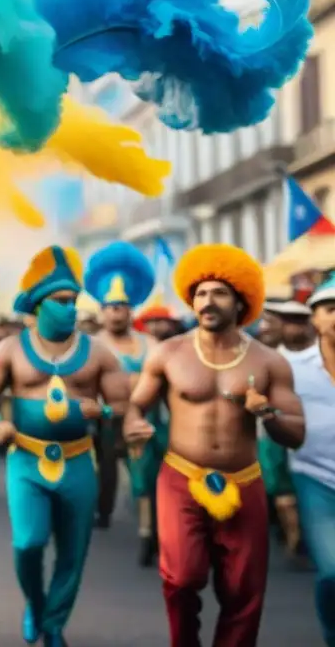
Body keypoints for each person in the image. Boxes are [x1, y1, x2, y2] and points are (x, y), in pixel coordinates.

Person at [123, 243, 306, 647]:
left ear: (241, 301)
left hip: (244, 481)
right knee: (182, 577)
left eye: (219, 292)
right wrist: (134, 425)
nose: (207, 301)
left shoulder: (268, 362)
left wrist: (267, 414)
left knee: (243, 592)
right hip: (181, 478)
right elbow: (137, 405)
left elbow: (296, 433)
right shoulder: (168, 353)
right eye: (201, 292)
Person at [0, 245, 129, 647]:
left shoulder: (99, 353)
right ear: (39, 305)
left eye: (74, 301)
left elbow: (124, 404)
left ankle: (55, 623)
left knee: (73, 552)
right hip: (25, 460)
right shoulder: (9, 350)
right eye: (61, 301)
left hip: (77, 462)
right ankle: (35, 604)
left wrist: (104, 411)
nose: (71, 309)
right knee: (28, 543)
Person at [84, 241, 160, 564]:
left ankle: (148, 532)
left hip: (141, 418)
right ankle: (101, 511)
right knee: (102, 474)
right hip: (101, 422)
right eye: (111, 305)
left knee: (144, 475)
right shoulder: (88, 345)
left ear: (132, 310)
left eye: (122, 306)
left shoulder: (151, 343)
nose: (116, 311)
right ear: (102, 310)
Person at [293, 277, 335, 645]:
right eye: (331, 309)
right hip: (316, 478)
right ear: (315, 319)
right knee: (332, 573)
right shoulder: (292, 367)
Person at [257, 299, 313, 563]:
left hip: (315, 433)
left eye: (300, 322)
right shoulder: (268, 358)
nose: (294, 328)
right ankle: (295, 538)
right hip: (274, 432)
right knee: (281, 487)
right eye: (288, 322)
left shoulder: (322, 355)